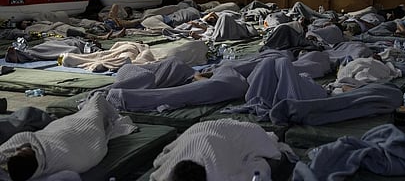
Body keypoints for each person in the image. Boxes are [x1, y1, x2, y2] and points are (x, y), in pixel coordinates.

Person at [0, 94, 137, 181]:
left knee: (32, 117)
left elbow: (19, 141)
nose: (19, 147)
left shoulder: (27, 150)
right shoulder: (52, 167)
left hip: (59, 132)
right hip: (79, 138)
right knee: (95, 105)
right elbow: (77, 168)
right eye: (21, 151)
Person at [149, 119, 297, 181]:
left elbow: (245, 175)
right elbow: (162, 159)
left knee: (266, 144)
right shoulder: (169, 172)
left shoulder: (219, 171)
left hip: (241, 133)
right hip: (198, 131)